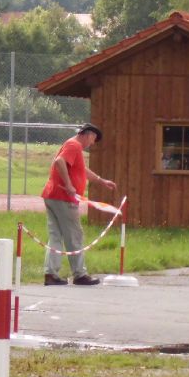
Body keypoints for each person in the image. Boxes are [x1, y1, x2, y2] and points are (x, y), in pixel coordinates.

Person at [41, 122, 116, 286]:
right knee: (74, 235)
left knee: (55, 236)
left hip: (52, 195)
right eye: (93, 139)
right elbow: (59, 161)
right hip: (64, 198)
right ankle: (80, 274)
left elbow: (81, 170)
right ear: (87, 134)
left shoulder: (72, 146)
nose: (92, 143)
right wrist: (68, 185)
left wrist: (101, 180)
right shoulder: (74, 145)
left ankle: (50, 274)